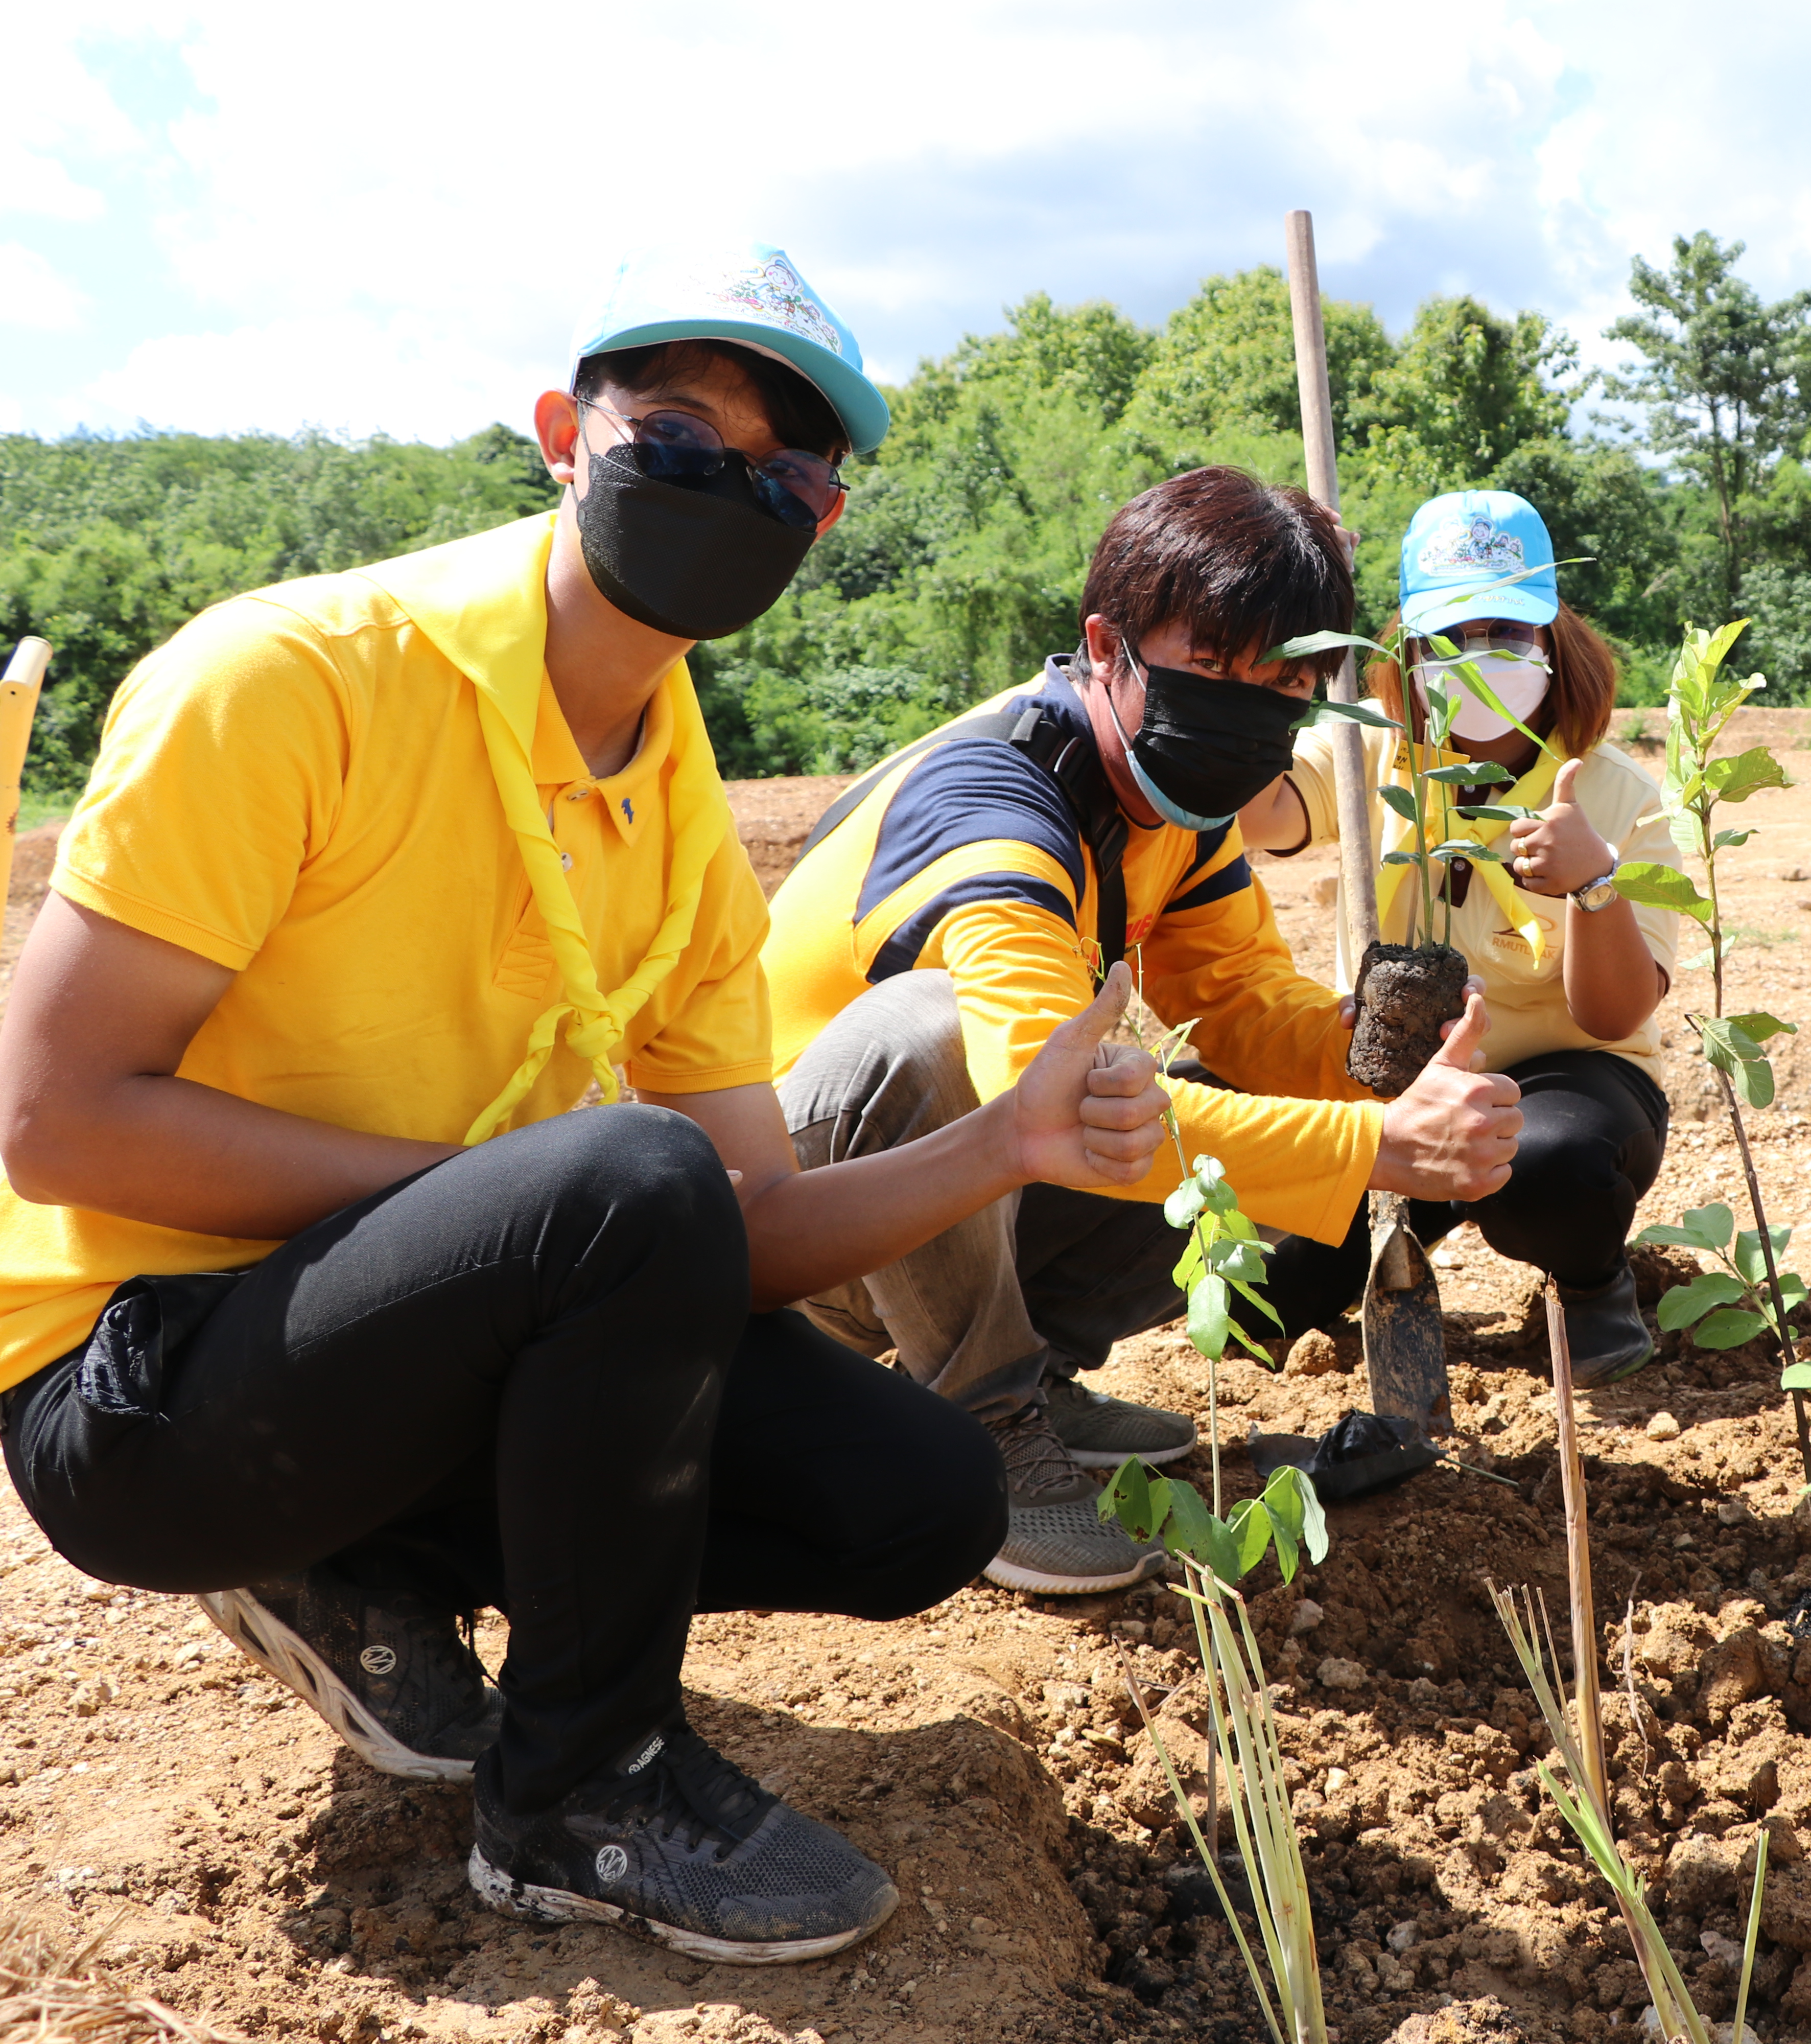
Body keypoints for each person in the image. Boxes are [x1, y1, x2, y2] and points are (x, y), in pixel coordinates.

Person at [0, 246, 1175, 1963]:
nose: (731, 489)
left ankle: (373, 1561)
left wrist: (1004, 1146)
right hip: (145, 1393)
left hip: (392, 1366)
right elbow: (57, 1121)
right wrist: (497, 1206)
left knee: (924, 1493)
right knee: (615, 1185)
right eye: (681, 439)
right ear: (565, 431)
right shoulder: (291, 681)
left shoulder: (676, 789)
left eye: (784, 473)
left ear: (825, 525)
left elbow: (750, 1225)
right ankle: (582, 1787)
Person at [762, 469, 1524, 1589]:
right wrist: (1376, 1152)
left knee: (1205, 1088)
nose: (1247, 706)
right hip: (799, 1233)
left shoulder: (1176, 803)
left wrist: (1369, 1059)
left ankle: (1036, 1365)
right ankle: (985, 1410)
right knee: (935, 1032)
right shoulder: (994, 797)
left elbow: (1244, 1004)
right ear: (1107, 645)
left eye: (1283, 679)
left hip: (955, 1199)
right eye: (1211, 664)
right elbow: (1037, 1097)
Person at [1233, 490, 1683, 1385]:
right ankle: (1383, 1247)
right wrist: (1280, 655)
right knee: (1262, 1295)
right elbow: (1256, 816)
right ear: (1404, 650)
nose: (1478, 662)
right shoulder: (1373, 756)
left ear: (1555, 641)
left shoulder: (1614, 794)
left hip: (1570, 1082)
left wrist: (1593, 882)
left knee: (1547, 1166)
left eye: (1507, 636)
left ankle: (1593, 1284)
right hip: (1397, 1083)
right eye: (1449, 641)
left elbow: (1613, 1014)